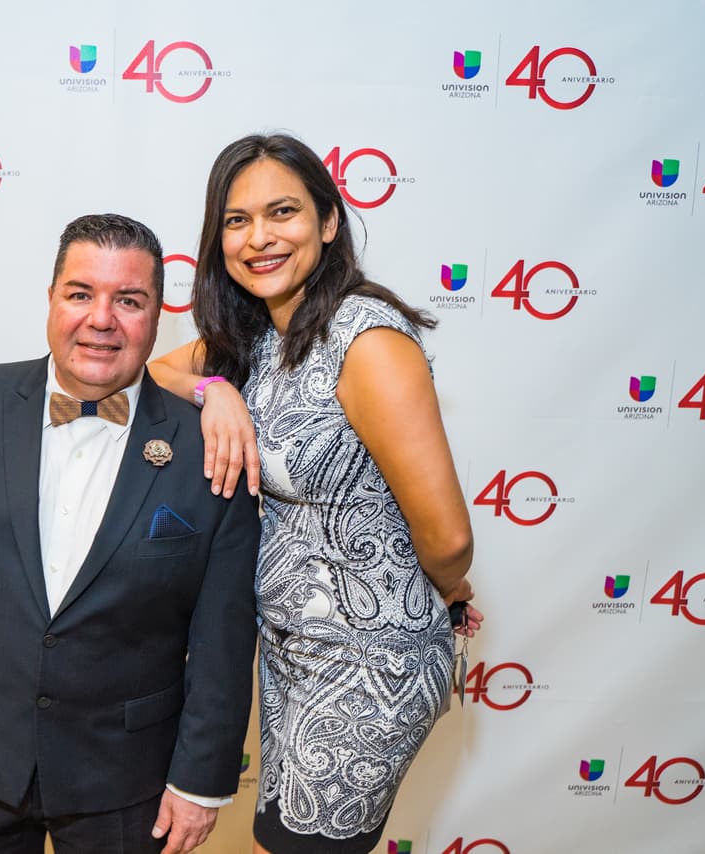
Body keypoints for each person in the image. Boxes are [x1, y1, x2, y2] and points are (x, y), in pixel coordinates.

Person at [0, 213, 261, 854]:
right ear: (51, 300)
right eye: (80, 293)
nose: (101, 319)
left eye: (128, 301)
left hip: (132, 781)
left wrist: (202, 779)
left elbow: (223, 634)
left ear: (158, 315)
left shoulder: (212, 446)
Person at [149, 134, 481, 854]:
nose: (259, 238)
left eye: (283, 213)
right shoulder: (262, 336)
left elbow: (449, 539)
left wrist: (443, 593)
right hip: (295, 653)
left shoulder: (366, 341)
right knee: (281, 837)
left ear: (329, 222)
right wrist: (216, 391)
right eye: (237, 221)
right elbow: (152, 375)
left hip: (371, 663)